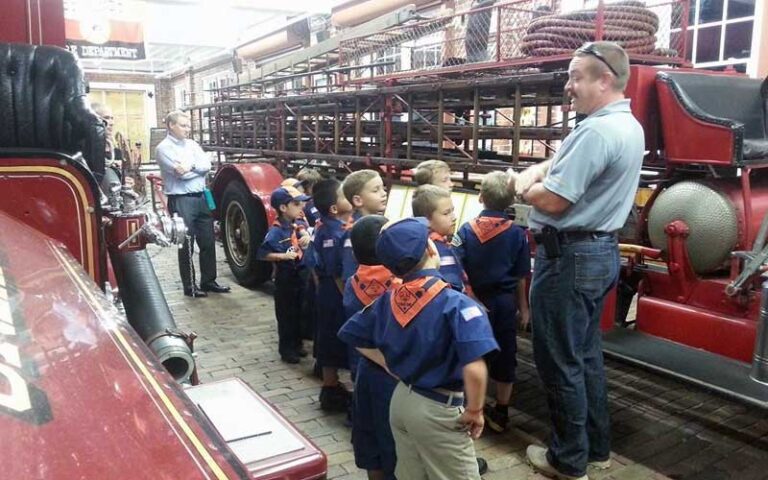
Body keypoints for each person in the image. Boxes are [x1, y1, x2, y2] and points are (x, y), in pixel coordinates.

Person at [512, 42, 644, 480]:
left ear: (604, 80)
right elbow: (566, 163)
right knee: (584, 356)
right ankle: (595, 449)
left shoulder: (596, 131)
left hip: (568, 257)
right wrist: (541, 168)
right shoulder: (624, 124)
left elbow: (551, 200)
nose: (569, 86)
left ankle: (567, 461)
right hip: (597, 253)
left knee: (559, 361)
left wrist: (522, 185)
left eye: (576, 77)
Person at [338, 217, 498, 480]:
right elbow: (475, 366)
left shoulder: (387, 299)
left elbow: (354, 334)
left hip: (402, 400)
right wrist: (475, 411)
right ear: (431, 250)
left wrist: (392, 366)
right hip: (438, 406)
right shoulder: (457, 303)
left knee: (411, 473)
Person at [454, 171, 531, 433]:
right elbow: (521, 276)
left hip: (471, 303)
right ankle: (501, 410)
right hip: (504, 303)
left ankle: (470, 405)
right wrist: (524, 308)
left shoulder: (465, 230)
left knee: (473, 352)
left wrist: (469, 296)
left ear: (480, 197)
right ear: (511, 202)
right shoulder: (517, 234)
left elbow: (458, 269)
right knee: (505, 354)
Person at [342, 215, 399, 480]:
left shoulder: (352, 284)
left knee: (369, 438)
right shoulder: (401, 286)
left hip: (365, 372)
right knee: (394, 443)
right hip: (396, 376)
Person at [156, 110, 230, 298]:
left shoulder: (192, 144)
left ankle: (208, 281)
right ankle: (190, 286)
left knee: (208, 241)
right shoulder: (163, 148)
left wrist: (190, 166)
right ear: (171, 125)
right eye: (183, 125)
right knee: (186, 243)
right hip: (181, 200)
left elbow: (207, 165)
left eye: (188, 125)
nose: (187, 129)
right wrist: (195, 168)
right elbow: (180, 174)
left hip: (201, 197)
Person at [312, 178, 354, 411]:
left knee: (329, 334)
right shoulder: (332, 233)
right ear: (334, 208)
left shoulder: (332, 226)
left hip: (329, 290)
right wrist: (347, 299)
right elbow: (335, 271)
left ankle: (332, 383)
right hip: (334, 292)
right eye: (344, 195)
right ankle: (330, 388)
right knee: (332, 335)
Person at [257, 186, 312, 364]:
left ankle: (297, 344)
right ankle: (287, 349)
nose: (300, 208)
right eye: (296, 204)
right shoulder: (276, 231)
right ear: (283, 208)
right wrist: (282, 256)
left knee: (299, 312)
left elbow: (303, 236)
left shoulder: (295, 226)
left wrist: (305, 238)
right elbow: (263, 254)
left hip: (299, 276)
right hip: (285, 278)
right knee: (286, 315)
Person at [411, 185, 466, 292]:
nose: (454, 217)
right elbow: (454, 286)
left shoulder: (417, 241)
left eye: (452, 211)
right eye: (446, 213)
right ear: (426, 220)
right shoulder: (438, 249)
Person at [341, 169, 389, 281]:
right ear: (358, 200)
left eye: (383, 188)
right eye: (376, 190)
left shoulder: (382, 224)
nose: (384, 193)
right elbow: (349, 275)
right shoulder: (354, 232)